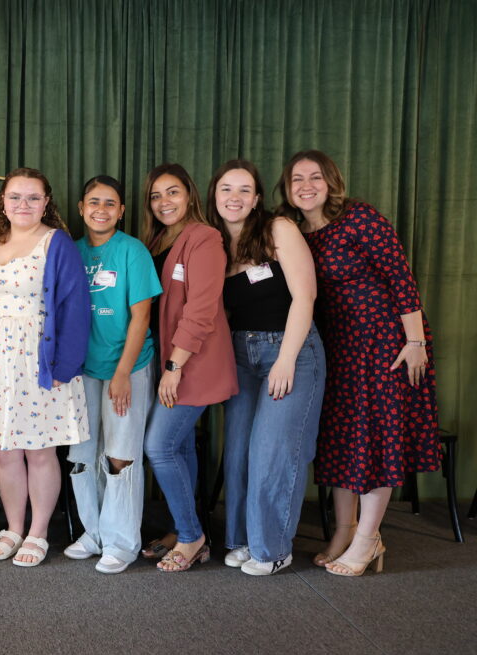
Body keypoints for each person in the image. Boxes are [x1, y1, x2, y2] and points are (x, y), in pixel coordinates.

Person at [278, 150, 440, 576]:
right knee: (344, 439)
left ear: (331, 182)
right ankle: (345, 531)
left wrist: (415, 340)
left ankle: (369, 539)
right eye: (297, 179)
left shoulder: (359, 218)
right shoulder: (294, 232)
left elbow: (400, 277)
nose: (306, 186)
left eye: (315, 177)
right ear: (287, 188)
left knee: (378, 437)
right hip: (336, 347)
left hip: (385, 343)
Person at [205, 160, 326, 576]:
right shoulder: (216, 244)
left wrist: (287, 359)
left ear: (257, 199)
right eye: (226, 188)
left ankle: (273, 549)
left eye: (244, 190)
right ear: (214, 195)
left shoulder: (279, 230)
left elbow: (305, 297)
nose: (234, 197)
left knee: (272, 452)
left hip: (290, 351)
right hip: (240, 355)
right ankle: (244, 539)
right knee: (238, 452)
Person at [0, 167, 91, 568]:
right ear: (2, 202)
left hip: (39, 359)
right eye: (15, 197)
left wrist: (64, 366)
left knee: (40, 450)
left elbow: (76, 308)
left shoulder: (57, 243)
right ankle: (14, 527)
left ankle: (38, 531)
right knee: (4, 451)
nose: (24, 204)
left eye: (33, 197)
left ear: (46, 203)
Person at [142, 163, 237, 572]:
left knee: (159, 446)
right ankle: (183, 528)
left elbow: (201, 308)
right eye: (156, 196)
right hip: (169, 358)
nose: (164, 202)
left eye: (173, 192)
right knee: (179, 447)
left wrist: (174, 365)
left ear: (190, 195)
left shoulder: (205, 238)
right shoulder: (159, 240)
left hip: (192, 361)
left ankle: (191, 536)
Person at [63, 175, 160, 574]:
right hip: (83, 370)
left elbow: (142, 317)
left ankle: (121, 542)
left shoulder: (132, 251)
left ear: (121, 211)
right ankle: (95, 534)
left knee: (120, 456)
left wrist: (122, 373)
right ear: (82, 208)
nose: (100, 210)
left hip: (127, 366)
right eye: (93, 202)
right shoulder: (71, 252)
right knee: (82, 455)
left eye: (109, 203)